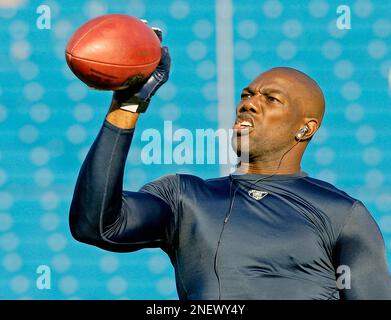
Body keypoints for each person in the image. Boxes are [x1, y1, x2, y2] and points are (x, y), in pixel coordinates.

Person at [69, 34, 391, 299]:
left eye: (271, 99)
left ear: (305, 128)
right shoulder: (186, 198)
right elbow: (95, 224)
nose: (247, 103)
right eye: (247, 94)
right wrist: (126, 104)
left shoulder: (343, 215)